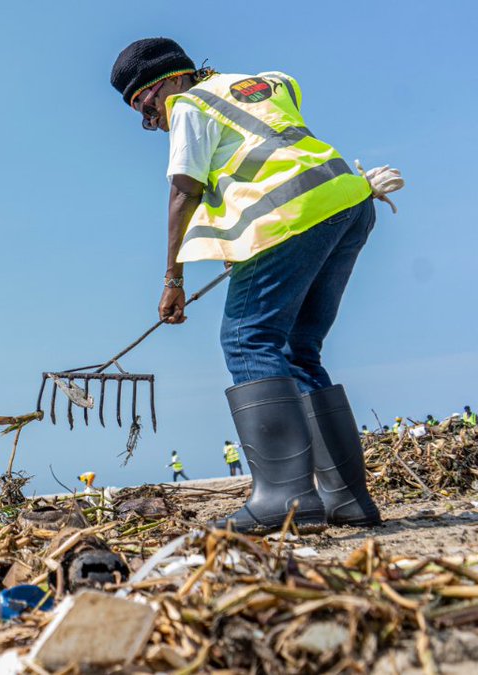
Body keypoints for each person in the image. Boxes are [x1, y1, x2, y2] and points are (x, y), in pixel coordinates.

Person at [110, 39, 400, 533]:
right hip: (349, 203)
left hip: (291, 215)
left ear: (171, 79)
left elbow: (183, 192)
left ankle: (284, 499)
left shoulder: (189, 105)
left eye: (147, 107)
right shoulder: (263, 83)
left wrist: (173, 279)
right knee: (298, 349)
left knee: (247, 339)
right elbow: (273, 130)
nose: (152, 122)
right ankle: (347, 498)